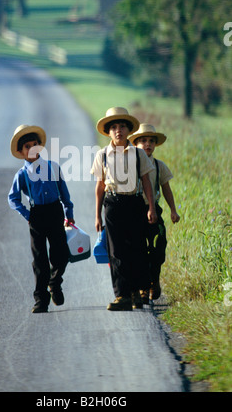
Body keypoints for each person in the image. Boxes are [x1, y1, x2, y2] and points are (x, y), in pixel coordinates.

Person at [91, 107, 157, 311]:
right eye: (114, 127)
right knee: (116, 250)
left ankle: (137, 292)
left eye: (122, 127)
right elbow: (100, 187)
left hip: (135, 203)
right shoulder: (102, 155)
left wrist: (151, 208)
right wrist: (97, 216)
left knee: (137, 248)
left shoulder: (138, 154)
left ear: (129, 131)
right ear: (108, 132)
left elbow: (146, 182)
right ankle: (122, 295)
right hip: (112, 205)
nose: (118, 130)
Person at [8, 124, 75, 313]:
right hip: (36, 215)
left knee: (61, 255)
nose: (32, 148)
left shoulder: (53, 167)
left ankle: (55, 282)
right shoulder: (21, 174)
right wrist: (28, 215)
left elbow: (64, 194)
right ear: (21, 152)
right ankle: (41, 299)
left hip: (55, 212)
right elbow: (12, 198)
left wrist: (69, 214)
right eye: (27, 146)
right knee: (40, 260)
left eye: (35, 144)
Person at [130, 123, 180, 302]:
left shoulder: (159, 166)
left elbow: (166, 189)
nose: (147, 144)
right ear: (135, 144)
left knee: (158, 247)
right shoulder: (130, 164)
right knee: (139, 250)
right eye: (143, 140)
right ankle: (144, 287)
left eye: (151, 141)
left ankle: (154, 280)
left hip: (154, 210)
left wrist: (173, 210)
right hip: (135, 209)